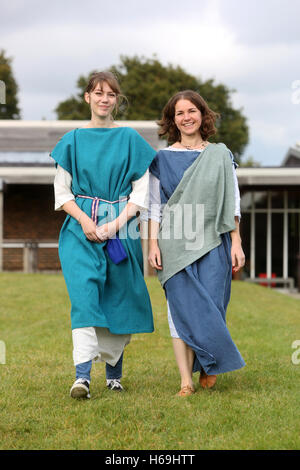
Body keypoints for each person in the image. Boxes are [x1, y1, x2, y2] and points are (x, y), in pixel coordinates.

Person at [50, 71, 156, 399]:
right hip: (80, 230)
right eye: (98, 93)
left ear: (117, 100)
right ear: (88, 97)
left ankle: (114, 374)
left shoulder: (130, 140)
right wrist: (84, 221)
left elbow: (141, 194)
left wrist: (115, 224)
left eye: (111, 94)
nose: (104, 99)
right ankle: (82, 377)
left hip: (121, 228)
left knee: (118, 298)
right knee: (84, 298)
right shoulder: (71, 141)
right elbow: (62, 192)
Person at [147, 90, 246, 396]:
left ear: (203, 115)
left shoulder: (220, 155)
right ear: (172, 120)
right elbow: (154, 207)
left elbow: (233, 202)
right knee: (179, 310)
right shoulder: (161, 159)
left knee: (211, 307)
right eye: (179, 113)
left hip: (213, 243)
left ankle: (209, 361)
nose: (186, 117)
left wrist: (236, 242)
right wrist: (153, 244)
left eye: (192, 111)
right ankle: (185, 382)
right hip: (174, 244)